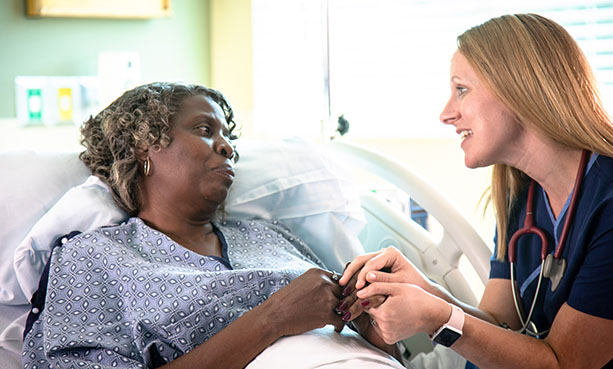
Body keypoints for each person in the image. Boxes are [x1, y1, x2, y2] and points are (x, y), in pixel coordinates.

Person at [21, 82, 402, 368]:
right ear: (144, 147)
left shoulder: (270, 236)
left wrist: (375, 329)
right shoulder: (94, 257)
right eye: (205, 130)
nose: (227, 147)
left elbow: (385, 348)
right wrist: (273, 318)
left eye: (229, 137)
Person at [337, 13, 613, 368]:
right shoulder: (522, 195)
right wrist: (426, 291)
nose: (446, 114)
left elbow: (564, 364)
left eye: (461, 90)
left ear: (519, 88)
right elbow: (501, 326)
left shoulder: (605, 203)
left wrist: (438, 316)